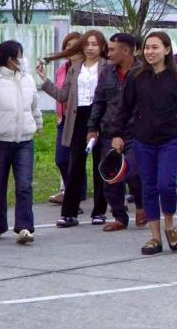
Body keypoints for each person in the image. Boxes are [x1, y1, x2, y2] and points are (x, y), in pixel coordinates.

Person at [113, 32, 177, 255]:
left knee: (166, 184)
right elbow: (124, 108)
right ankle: (154, 236)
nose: (150, 52)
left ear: (167, 50)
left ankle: (169, 226)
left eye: (155, 47)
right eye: (147, 48)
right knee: (148, 186)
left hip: (172, 139)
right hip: (143, 139)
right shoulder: (135, 76)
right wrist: (117, 134)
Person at [38, 30, 109, 227]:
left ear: (102, 47)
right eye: (87, 44)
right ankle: (69, 213)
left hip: (101, 119)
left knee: (100, 165)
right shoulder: (75, 68)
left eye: (95, 44)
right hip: (78, 119)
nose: (90, 48)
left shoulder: (108, 66)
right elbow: (63, 96)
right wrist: (44, 80)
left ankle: (99, 211)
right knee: (75, 166)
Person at [0, 41, 42, 244]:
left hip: (24, 141)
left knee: (24, 184)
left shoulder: (28, 79)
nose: (23, 60)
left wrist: (38, 124)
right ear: (10, 59)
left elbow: (34, 106)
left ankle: (24, 227)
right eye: (20, 56)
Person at [88, 33, 146, 231]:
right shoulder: (107, 73)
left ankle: (142, 205)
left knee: (134, 172)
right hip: (109, 132)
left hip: (136, 133)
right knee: (110, 176)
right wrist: (92, 128)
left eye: (113, 49)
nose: (109, 53)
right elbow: (99, 101)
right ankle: (120, 217)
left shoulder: (143, 73)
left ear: (126, 51)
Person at [45, 31, 82, 205]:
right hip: (65, 119)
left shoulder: (88, 68)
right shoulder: (62, 69)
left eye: (75, 46)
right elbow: (61, 95)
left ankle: (73, 196)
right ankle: (72, 192)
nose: (71, 49)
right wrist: (44, 80)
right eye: (68, 46)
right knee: (61, 159)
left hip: (82, 119)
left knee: (77, 159)